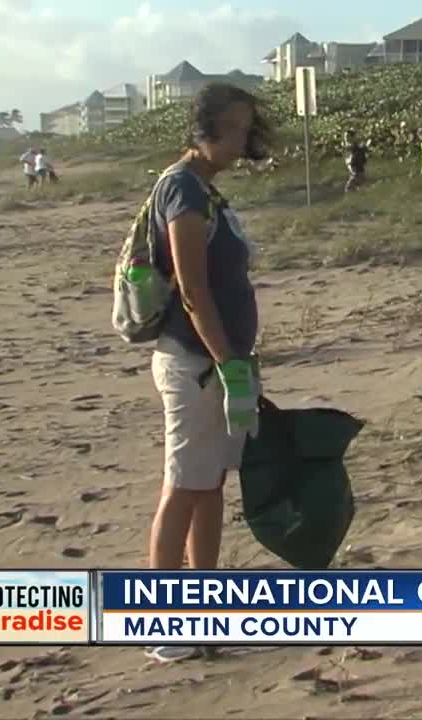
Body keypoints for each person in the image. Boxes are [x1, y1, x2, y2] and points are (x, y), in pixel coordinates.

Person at [144, 82, 270, 663]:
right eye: (238, 128)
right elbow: (193, 290)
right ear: (208, 127)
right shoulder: (182, 189)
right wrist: (228, 365)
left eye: (248, 128)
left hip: (221, 362)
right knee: (184, 486)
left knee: (210, 484)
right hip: (196, 363)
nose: (245, 139)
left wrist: (237, 364)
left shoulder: (209, 192)